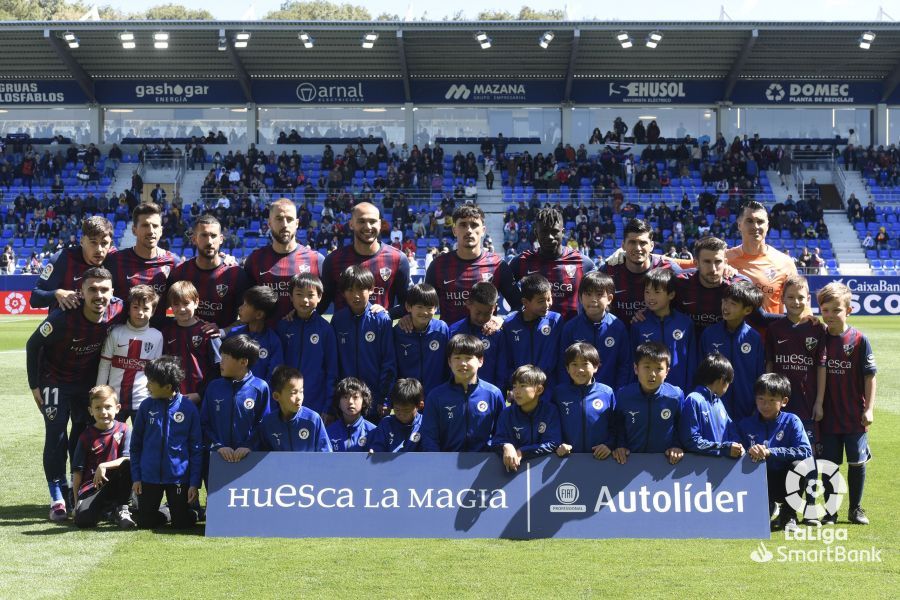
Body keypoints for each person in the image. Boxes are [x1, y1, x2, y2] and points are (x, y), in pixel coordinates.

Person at [25, 267, 126, 521]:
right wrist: (34, 385)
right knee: (56, 435)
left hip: (86, 384)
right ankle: (57, 497)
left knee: (82, 434)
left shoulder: (119, 309)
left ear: (112, 293)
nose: (99, 295)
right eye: (92, 289)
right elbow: (33, 343)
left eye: (104, 290)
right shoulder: (63, 317)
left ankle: (78, 487)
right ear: (81, 292)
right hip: (54, 381)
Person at [815, 282, 877, 525]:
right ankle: (831, 511)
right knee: (830, 465)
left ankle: (856, 509)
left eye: (836, 310)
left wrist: (869, 408)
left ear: (848, 310)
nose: (830, 315)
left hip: (854, 415)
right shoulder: (818, 338)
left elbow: (870, 376)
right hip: (828, 415)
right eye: (825, 310)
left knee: (856, 462)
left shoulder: (859, 340)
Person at [130, 356, 202, 529]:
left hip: (178, 477)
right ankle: (166, 512)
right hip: (149, 477)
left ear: (168, 387)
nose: (147, 386)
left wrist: (194, 483)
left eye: (151, 383)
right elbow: (136, 445)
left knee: (181, 524)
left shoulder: (188, 408)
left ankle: (189, 512)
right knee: (145, 523)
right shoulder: (146, 407)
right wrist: (137, 477)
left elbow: (196, 447)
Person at [737, 373, 812, 532]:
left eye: (772, 400)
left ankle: (789, 514)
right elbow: (735, 452)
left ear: (784, 401)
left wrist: (771, 452)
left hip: (784, 480)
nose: (765, 405)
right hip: (756, 481)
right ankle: (765, 507)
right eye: (761, 399)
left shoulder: (792, 421)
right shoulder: (745, 424)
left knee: (799, 465)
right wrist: (748, 452)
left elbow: (806, 451)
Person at [423, 205, 520, 326]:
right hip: (450, 341)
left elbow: (519, 305)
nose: (469, 230)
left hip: (487, 341)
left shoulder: (498, 265)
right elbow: (422, 305)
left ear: (483, 230)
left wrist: (503, 319)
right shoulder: (438, 265)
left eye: (474, 225)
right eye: (463, 225)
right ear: (454, 230)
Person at [764, 275, 827, 457]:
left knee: (809, 455)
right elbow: (769, 364)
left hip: (808, 403)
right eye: (790, 297)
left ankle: (809, 486)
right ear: (782, 298)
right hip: (780, 403)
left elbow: (821, 367)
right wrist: (769, 396)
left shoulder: (818, 329)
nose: (796, 302)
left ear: (808, 299)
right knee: (779, 453)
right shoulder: (774, 329)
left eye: (800, 297)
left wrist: (819, 402)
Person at [320, 202, 410, 317]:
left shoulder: (398, 259)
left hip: (381, 333)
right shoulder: (333, 260)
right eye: (361, 221)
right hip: (342, 333)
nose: (368, 227)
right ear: (351, 224)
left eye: (372, 221)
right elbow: (322, 302)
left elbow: (407, 304)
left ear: (380, 224)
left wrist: (387, 314)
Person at [244, 198, 324, 323]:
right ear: (269, 223)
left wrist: (304, 312)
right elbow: (247, 303)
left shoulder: (315, 260)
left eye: (290, 219)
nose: (285, 224)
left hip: (304, 339)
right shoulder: (255, 260)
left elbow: (324, 300)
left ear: (297, 223)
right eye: (279, 219)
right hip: (265, 339)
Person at [331, 266, 396, 418]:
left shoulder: (381, 319)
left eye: (361, 289)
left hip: (374, 402)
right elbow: (334, 363)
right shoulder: (338, 320)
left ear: (371, 289)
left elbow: (389, 362)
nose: (356, 296)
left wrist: (384, 399)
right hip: (346, 401)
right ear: (343, 292)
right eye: (350, 290)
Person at [421, 334, 505, 452]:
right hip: (446, 463)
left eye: (468, 357)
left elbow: (502, 433)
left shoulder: (493, 394)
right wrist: (437, 463)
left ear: (480, 361)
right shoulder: (436, 396)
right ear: (449, 362)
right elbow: (429, 437)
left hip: (484, 463)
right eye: (457, 358)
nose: (463, 363)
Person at [508, 207, 595, 320]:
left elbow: (600, 293)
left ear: (563, 232)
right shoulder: (522, 261)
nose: (549, 237)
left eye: (554, 231)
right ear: (536, 233)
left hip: (570, 335)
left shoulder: (583, 263)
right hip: (534, 334)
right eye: (544, 232)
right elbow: (502, 290)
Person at [96, 285, 164, 423]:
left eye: (145, 309)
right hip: (114, 399)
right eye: (135, 307)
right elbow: (104, 365)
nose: (140, 312)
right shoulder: (115, 332)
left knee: (141, 441)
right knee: (112, 440)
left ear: (153, 311)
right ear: (128, 309)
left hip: (142, 399)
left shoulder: (157, 336)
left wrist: (154, 396)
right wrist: (100, 393)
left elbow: (155, 372)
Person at [200, 334, 270, 468]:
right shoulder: (213, 386)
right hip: (216, 459)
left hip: (248, 460)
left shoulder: (260, 387)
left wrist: (248, 446)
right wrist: (218, 446)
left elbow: (263, 424)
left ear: (243, 362)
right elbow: (204, 423)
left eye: (225, 358)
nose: (220, 362)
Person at [699, 280, 765, 422]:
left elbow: (759, 375)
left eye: (733, 304)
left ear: (747, 310)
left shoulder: (754, 338)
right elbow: (700, 374)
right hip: (713, 410)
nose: (726, 307)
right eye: (725, 301)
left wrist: (756, 406)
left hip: (747, 411)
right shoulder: (709, 334)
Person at [167, 215, 249, 328]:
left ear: (221, 239)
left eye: (213, 236)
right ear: (194, 239)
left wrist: (223, 332)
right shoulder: (180, 273)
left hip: (224, 344)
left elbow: (248, 317)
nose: (209, 241)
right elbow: (168, 312)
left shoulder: (236, 274)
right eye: (204, 235)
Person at [106, 203, 182, 323]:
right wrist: (64, 292)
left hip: (160, 336)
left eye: (155, 226)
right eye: (145, 225)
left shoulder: (173, 262)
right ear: (134, 230)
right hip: (122, 334)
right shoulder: (116, 260)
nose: (151, 231)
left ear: (161, 230)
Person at [72, 385, 134, 528]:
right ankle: (110, 512)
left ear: (117, 408)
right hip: (93, 488)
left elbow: (128, 459)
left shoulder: (124, 430)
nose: (103, 412)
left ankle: (122, 507)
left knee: (128, 464)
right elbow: (77, 472)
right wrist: (76, 504)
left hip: (116, 484)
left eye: (108, 407)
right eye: (98, 408)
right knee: (83, 520)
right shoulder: (85, 437)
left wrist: (104, 465)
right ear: (90, 411)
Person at [612, 342, 685, 465]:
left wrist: (677, 446)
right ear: (636, 369)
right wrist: (620, 446)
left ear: (667, 371)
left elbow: (681, 426)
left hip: (665, 464)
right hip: (629, 462)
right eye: (647, 367)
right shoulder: (623, 395)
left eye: (659, 368)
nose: (652, 374)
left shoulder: (676, 395)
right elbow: (617, 426)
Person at [276, 273, 338, 417]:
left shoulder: (326, 330)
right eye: (299, 294)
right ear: (291, 297)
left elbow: (331, 371)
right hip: (286, 401)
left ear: (320, 297)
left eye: (310, 295)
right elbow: (277, 367)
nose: (305, 300)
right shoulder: (283, 326)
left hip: (316, 402)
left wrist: (327, 407)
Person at [557, 271, 631, 391]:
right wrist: (567, 392)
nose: (593, 300)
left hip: (609, 395)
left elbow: (624, 365)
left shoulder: (618, 327)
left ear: (610, 298)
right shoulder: (570, 328)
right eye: (588, 294)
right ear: (580, 297)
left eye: (599, 294)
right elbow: (563, 363)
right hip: (576, 395)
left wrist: (619, 393)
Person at [600, 218, 680, 326]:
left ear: (652, 246)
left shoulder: (667, 269)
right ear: (623, 245)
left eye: (643, 243)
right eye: (632, 242)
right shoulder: (608, 270)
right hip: (617, 337)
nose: (638, 248)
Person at [725, 201, 798, 315]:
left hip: (769, 331)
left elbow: (799, 305)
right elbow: (695, 265)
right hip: (733, 332)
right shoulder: (724, 259)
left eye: (760, 221)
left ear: (767, 226)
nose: (755, 226)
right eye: (749, 221)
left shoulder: (785, 263)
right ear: (739, 225)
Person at [630, 268, 695, 391]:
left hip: (679, 391)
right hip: (647, 393)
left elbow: (691, 363)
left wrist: (690, 390)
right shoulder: (638, 324)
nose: (650, 297)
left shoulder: (685, 324)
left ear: (671, 294)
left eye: (657, 292)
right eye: (647, 292)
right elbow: (632, 361)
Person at [30, 215, 115, 310]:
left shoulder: (114, 260)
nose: (99, 249)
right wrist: (56, 293)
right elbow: (34, 299)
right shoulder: (62, 259)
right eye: (93, 242)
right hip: (63, 323)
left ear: (111, 244)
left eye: (104, 243)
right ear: (82, 241)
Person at [159, 281, 222, 404]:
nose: (181, 309)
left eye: (186, 303)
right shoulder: (166, 332)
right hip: (173, 397)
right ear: (170, 306)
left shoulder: (208, 332)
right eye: (176, 304)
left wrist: (201, 394)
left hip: (203, 399)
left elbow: (219, 368)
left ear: (196, 302)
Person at [673, 236, 748, 337]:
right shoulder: (679, 282)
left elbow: (760, 317)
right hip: (687, 347)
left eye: (718, 262)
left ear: (725, 262)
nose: (713, 269)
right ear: (696, 263)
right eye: (707, 262)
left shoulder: (738, 286)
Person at [492, 365, 561, 472]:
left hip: (543, 470)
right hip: (512, 472)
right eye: (514, 386)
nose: (517, 391)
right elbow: (497, 441)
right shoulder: (506, 414)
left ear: (539, 390)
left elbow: (553, 443)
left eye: (523, 386)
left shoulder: (550, 411)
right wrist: (506, 446)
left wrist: (522, 452)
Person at [552, 342, 616, 458]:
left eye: (585, 364)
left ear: (596, 367)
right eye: (574, 364)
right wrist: (558, 444)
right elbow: (553, 425)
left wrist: (609, 445)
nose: (580, 370)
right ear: (567, 368)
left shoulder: (606, 393)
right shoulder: (559, 393)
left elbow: (616, 426)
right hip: (567, 459)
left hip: (600, 459)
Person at [499, 274, 562, 390]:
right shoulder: (510, 325)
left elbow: (556, 356)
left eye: (549, 299)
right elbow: (506, 359)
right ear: (525, 302)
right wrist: (512, 383)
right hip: (521, 387)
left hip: (548, 388)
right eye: (541, 301)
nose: (547, 304)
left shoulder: (555, 321)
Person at [679, 353, 744, 458]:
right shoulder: (694, 400)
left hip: (721, 468)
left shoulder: (719, 403)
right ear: (722, 380)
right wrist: (723, 449)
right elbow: (690, 440)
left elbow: (732, 432)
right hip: (700, 469)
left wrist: (737, 447)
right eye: (729, 383)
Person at [255, 366, 331, 452]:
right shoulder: (268, 423)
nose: (299, 397)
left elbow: (326, 453)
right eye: (293, 393)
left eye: (301, 392)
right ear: (276, 396)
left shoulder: (313, 419)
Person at [394, 283, 449, 396]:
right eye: (419, 307)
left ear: (436, 309)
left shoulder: (441, 329)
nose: (424, 312)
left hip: (436, 394)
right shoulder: (398, 332)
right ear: (408, 307)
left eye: (429, 308)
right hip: (408, 397)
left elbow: (448, 363)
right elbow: (392, 365)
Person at [226, 286, 283, 383]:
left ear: (259, 315)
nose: (240, 308)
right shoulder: (234, 334)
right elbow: (225, 365)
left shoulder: (273, 341)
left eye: (245, 305)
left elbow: (274, 375)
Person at [368, 378, 424, 453]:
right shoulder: (386, 423)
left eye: (406, 410)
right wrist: (375, 451)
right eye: (397, 410)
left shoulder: (424, 424)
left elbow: (429, 449)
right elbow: (378, 446)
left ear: (420, 406)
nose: (401, 414)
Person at [326, 377, 377, 452]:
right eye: (345, 397)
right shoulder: (328, 432)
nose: (350, 402)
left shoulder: (373, 432)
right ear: (338, 403)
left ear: (364, 402)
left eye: (355, 397)